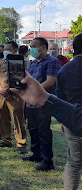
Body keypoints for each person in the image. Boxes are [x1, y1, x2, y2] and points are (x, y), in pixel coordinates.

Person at [23, 37, 61, 171]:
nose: (31, 49)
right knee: (32, 128)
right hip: (30, 102)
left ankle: (47, 161)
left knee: (43, 130)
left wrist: (35, 92)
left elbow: (50, 81)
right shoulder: (32, 63)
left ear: (43, 48)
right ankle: (36, 154)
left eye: (33, 46)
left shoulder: (52, 62)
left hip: (44, 101)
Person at [56, 33, 82, 189]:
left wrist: (63, 121)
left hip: (72, 120)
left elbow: (60, 99)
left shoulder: (64, 70)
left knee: (73, 163)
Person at [0, 41, 28, 154]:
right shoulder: (1, 63)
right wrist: (0, 89)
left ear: (15, 49)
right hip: (2, 94)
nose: (5, 51)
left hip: (15, 95)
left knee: (18, 119)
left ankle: (21, 143)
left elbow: (22, 79)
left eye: (8, 49)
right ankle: (6, 140)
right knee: (2, 117)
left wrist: (8, 90)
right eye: (5, 49)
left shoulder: (21, 62)